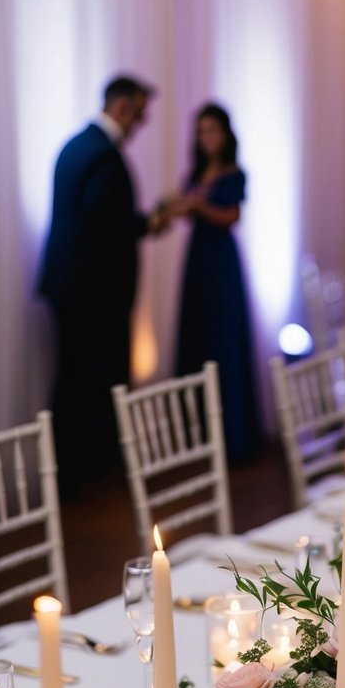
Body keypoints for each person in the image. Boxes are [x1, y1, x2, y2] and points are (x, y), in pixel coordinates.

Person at [37, 75, 166, 497]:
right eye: (141, 115)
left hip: (69, 286)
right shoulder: (103, 155)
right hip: (92, 293)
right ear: (124, 107)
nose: (140, 125)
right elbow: (102, 225)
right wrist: (148, 222)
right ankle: (83, 476)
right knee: (88, 384)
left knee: (73, 379)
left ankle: (68, 474)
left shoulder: (75, 146)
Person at [172, 103, 260, 464]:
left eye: (212, 130)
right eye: (201, 131)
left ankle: (233, 436)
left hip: (221, 262)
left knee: (224, 340)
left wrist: (196, 206)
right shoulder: (196, 173)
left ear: (224, 134)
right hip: (198, 261)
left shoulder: (233, 173)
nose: (206, 137)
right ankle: (195, 437)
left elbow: (231, 217)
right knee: (198, 337)